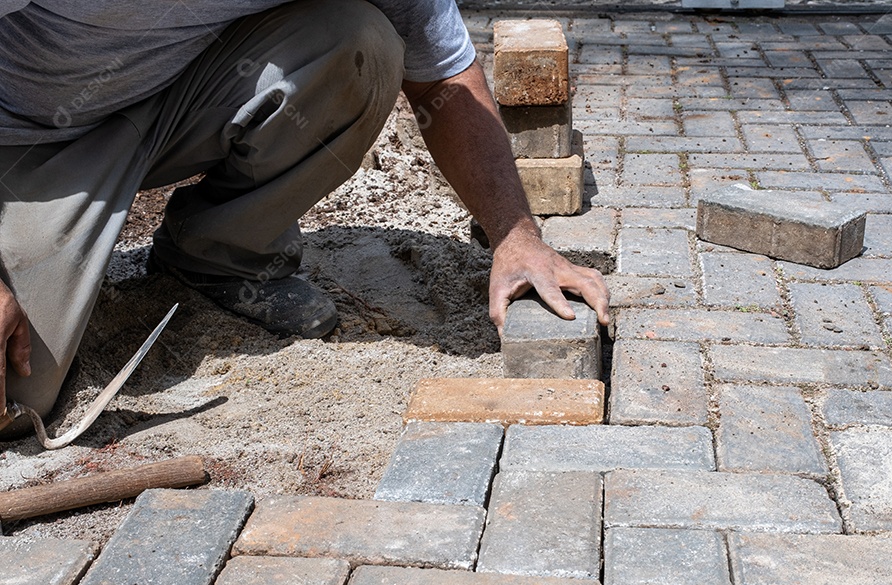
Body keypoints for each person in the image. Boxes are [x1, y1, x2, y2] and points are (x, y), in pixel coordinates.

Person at [0, 0, 610, 436]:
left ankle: (217, 253)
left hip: (172, 100)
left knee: (359, 40)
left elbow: (444, 79)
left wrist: (517, 236)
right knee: (16, 396)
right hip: (24, 146)